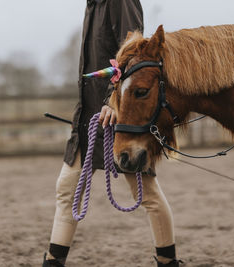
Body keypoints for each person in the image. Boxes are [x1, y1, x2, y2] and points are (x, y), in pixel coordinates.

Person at [43, 1, 180, 266]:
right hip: (89, 118)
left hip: (118, 118)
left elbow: (133, 56)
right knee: (67, 191)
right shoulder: (93, 5)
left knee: (147, 195)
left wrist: (112, 102)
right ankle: (52, 262)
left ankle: (168, 262)